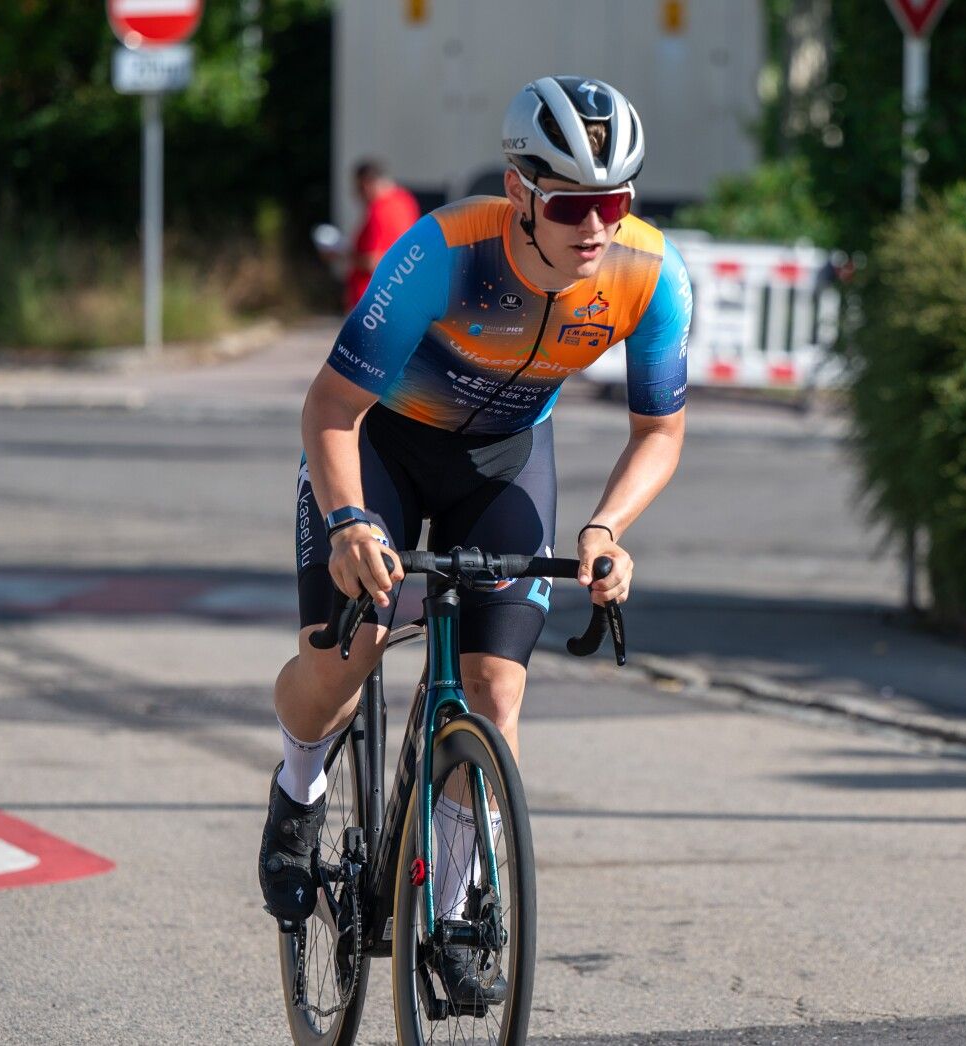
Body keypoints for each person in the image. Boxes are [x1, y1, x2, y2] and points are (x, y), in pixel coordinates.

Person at [259, 76, 691, 1005]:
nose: (597, 226)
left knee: (494, 692)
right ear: (519, 190)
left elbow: (659, 431)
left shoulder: (649, 274)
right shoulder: (444, 254)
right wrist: (349, 521)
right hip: (382, 447)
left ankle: (454, 911)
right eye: (571, 204)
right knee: (346, 658)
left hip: (504, 462)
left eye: (616, 200)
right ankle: (298, 787)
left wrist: (607, 529)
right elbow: (330, 406)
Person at [343, 159, 420, 309]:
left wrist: (344, 255)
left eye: (358, 189)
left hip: (373, 303)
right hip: (396, 297)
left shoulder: (378, 211)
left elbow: (374, 262)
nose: (358, 195)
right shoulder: (405, 200)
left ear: (366, 184)